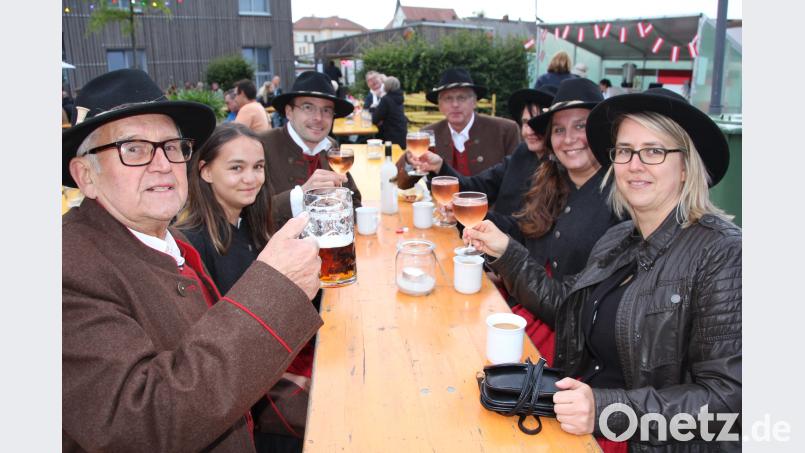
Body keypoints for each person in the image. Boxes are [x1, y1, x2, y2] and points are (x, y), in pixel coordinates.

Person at [464, 87, 740, 451]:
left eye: (654, 151)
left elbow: (729, 403)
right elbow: (566, 308)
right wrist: (506, 252)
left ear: (687, 166)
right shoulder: (620, 238)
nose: (634, 164)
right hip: (578, 419)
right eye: (624, 151)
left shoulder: (723, 251)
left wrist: (607, 409)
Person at [63, 68, 323, 452]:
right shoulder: (65, 266)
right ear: (85, 175)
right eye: (133, 148)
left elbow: (212, 371)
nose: (162, 163)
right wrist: (277, 286)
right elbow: (139, 423)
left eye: (172, 146)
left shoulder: (174, 243)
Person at [175, 123, 310, 452]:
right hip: (245, 399)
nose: (251, 178)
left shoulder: (252, 225)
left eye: (258, 167)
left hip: (272, 365)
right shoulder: (190, 245)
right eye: (237, 168)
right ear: (205, 172)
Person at [410, 85, 557, 230]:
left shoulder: (558, 168)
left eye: (537, 123)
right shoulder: (522, 153)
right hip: (490, 239)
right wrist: (440, 166)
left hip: (507, 246)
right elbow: (477, 186)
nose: (529, 130)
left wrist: (473, 215)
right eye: (525, 122)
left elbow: (527, 226)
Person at [262, 71, 362, 228]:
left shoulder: (331, 146)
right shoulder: (261, 147)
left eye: (327, 110)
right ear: (289, 112)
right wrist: (299, 196)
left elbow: (354, 201)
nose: (319, 118)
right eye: (308, 107)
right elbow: (248, 215)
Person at [395, 67, 520, 189]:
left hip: (487, 207)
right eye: (448, 98)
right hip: (441, 207)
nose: (455, 105)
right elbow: (401, 183)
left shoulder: (505, 130)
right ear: (440, 105)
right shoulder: (428, 135)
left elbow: (518, 179)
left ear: (474, 102)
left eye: (462, 97)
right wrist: (409, 161)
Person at [371, 76, 408, 148]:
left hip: (390, 136)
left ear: (386, 86)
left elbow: (375, 119)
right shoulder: (400, 97)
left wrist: (373, 109)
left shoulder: (386, 99)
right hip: (402, 133)